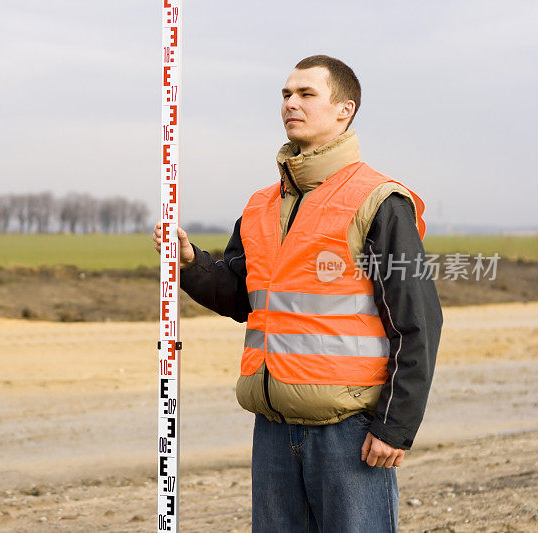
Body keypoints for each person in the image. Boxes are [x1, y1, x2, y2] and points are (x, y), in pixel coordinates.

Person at [152, 55, 443, 532]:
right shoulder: (261, 205)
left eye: (306, 94)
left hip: (349, 430)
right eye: (286, 94)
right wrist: (190, 263)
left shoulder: (379, 201)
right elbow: (240, 296)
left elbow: (418, 323)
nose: (291, 103)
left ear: (344, 110)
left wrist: (395, 427)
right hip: (273, 426)